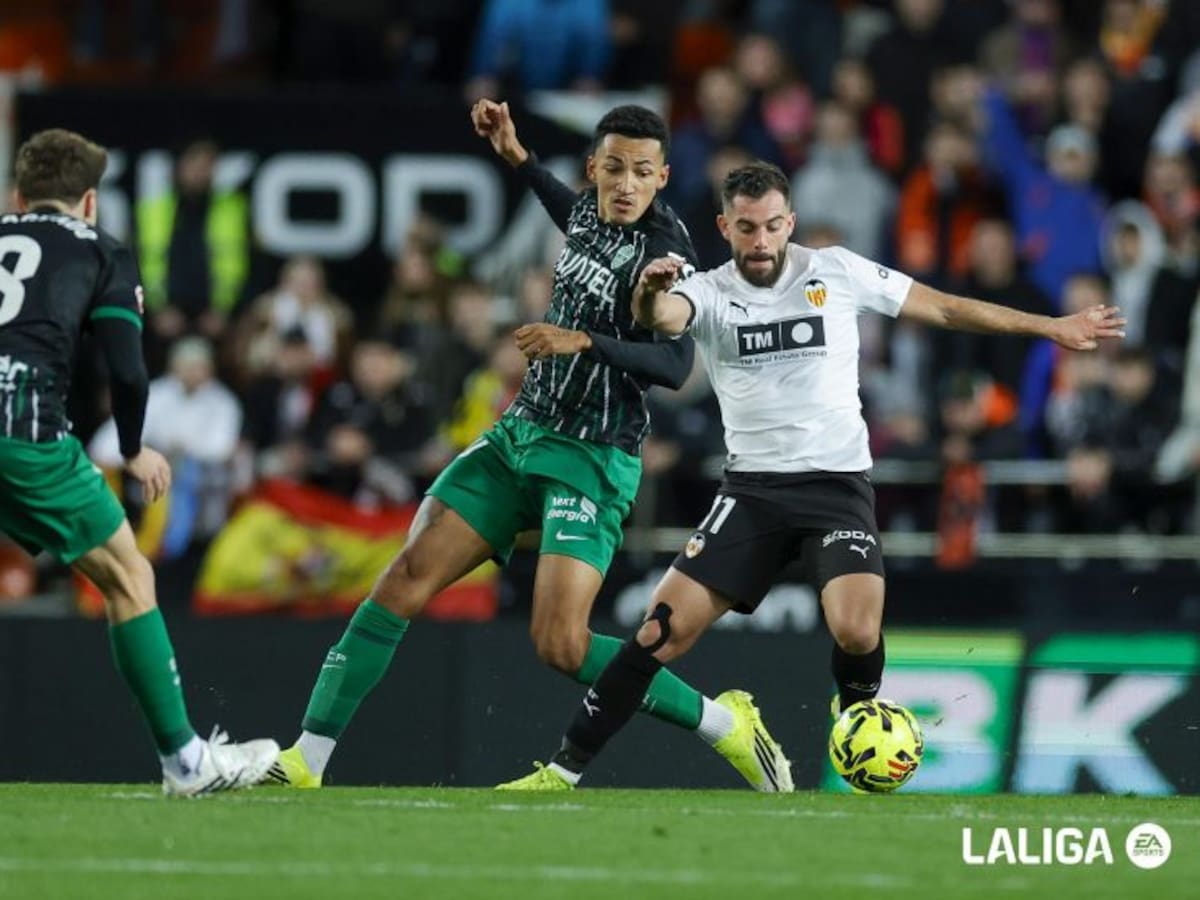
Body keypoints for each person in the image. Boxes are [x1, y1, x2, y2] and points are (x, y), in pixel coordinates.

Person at [499, 161, 1125, 789]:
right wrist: (646, 292)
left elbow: (946, 308)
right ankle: (562, 771)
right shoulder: (709, 289)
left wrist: (1053, 327)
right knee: (657, 634)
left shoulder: (837, 270)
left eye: (773, 226)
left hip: (835, 488)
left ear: (790, 221)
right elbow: (661, 318)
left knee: (856, 627)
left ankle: (855, 718)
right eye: (747, 228)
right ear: (725, 226)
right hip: (751, 494)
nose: (762, 241)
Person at [264, 105, 792, 792]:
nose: (625, 184)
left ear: (662, 177)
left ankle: (724, 724)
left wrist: (583, 341)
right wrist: (515, 154)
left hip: (592, 455)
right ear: (593, 170)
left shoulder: (667, 253)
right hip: (519, 434)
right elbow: (562, 206)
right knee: (402, 580)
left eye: (641, 172)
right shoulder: (584, 213)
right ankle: (307, 758)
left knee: (561, 645)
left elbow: (674, 366)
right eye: (613, 169)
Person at [0, 129, 278, 795]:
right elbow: (128, 371)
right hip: (25, 430)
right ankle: (185, 762)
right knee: (128, 576)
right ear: (89, 202)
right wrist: (130, 449)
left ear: (17, 195)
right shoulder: (100, 250)